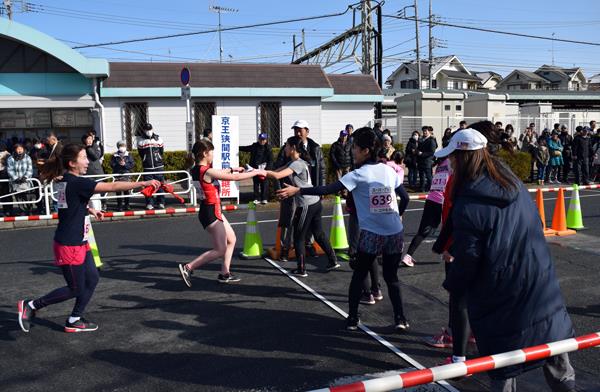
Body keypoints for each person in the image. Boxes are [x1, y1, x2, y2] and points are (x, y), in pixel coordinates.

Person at [437, 128, 576, 392]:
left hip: (502, 296)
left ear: (462, 159)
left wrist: (453, 283)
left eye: (452, 158)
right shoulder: (511, 182)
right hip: (540, 283)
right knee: (556, 357)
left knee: (503, 365)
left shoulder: (469, 204)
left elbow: (468, 258)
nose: (449, 164)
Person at [17, 144, 160, 333]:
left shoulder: (65, 181)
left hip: (80, 241)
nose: (87, 161)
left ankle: (75, 318)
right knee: (75, 288)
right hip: (69, 244)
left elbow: (68, 205)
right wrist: (141, 183)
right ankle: (31, 305)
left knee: (92, 279)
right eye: (84, 157)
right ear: (72, 163)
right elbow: (112, 186)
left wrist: (89, 209)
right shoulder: (77, 182)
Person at [277, 127, 410, 331]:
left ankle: (353, 318)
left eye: (355, 147)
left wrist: (298, 189)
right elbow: (406, 197)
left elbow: (327, 189)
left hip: (372, 234)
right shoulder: (389, 170)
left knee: (358, 276)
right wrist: (397, 216)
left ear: (365, 150)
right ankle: (401, 319)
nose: (352, 151)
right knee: (391, 277)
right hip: (395, 233)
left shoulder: (358, 174)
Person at [178, 140, 266, 287]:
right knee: (220, 249)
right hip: (211, 212)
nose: (213, 155)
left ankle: (225, 273)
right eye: (212, 152)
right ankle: (188, 267)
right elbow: (234, 179)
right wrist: (256, 172)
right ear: (205, 154)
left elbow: (219, 174)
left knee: (231, 239)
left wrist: (232, 168)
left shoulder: (197, 169)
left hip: (211, 210)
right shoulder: (206, 171)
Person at [266, 136, 340, 277]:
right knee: (318, 233)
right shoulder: (295, 162)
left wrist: (258, 172)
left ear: (293, 148)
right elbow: (275, 172)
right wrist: (257, 171)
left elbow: (277, 176)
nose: (285, 148)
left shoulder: (297, 164)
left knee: (298, 236)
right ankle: (333, 260)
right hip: (315, 202)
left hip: (306, 204)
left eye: (286, 145)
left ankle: (301, 269)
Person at [402, 155, 451, 267]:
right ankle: (445, 252)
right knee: (446, 228)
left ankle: (408, 255)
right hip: (442, 201)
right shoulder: (450, 163)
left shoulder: (439, 166)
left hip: (430, 199)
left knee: (423, 230)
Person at [137, 123, 165, 210]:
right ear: (144, 130)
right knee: (148, 186)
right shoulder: (141, 140)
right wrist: (145, 159)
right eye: (146, 129)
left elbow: (161, 151)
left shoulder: (158, 139)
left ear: (152, 129)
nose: (148, 131)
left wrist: (159, 159)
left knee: (160, 185)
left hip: (158, 166)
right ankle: (149, 203)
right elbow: (141, 153)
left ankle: (161, 202)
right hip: (147, 167)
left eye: (149, 129)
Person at [240, 133, 273, 204]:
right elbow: (246, 148)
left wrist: (267, 169)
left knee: (264, 183)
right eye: (261, 139)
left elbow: (270, 160)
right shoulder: (254, 146)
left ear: (266, 140)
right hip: (254, 168)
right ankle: (256, 198)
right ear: (258, 139)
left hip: (264, 168)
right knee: (256, 183)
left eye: (264, 139)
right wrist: (236, 147)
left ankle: (264, 198)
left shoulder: (269, 148)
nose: (262, 141)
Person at [7, 143, 34, 215]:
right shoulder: (10, 158)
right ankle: (22, 210)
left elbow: (30, 169)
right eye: (18, 149)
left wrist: (25, 177)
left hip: (26, 181)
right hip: (16, 182)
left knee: (28, 196)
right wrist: (16, 178)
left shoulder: (27, 157)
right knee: (19, 197)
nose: (19, 150)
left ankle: (30, 210)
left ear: (23, 149)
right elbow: (10, 170)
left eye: (21, 149)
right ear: (15, 150)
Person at [110, 140, 135, 211]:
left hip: (126, 174)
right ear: (118, 147)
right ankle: (119, 205)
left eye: (123, 146)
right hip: (117, 175)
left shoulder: (129, 154)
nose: (122, 147)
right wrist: (118, 164)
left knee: (126, 190)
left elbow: (132, 164)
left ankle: (127, 205)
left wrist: (125, 165)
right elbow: (112, 165)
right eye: (121, 146)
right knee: (118, 191)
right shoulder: (114, 155)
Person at [417, 126, 438, 192]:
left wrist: (422, 154)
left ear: (429, 132)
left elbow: (432, 152)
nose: (424, 132)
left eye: (426, 131)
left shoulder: (431, 140)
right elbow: (419, 148)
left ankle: (431, 188)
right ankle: (422, 188)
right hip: (420, 161)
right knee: (421, 176)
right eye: (423, 131)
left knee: (428, 176)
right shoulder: (421, 139)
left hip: (427, 161)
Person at [0, 142, 12, 216]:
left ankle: (8, 210)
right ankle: (6, 210)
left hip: (4, 174)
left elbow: (8, 164)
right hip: (3, 173)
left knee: (6, 193)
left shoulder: (7, 154)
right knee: (4, 194)